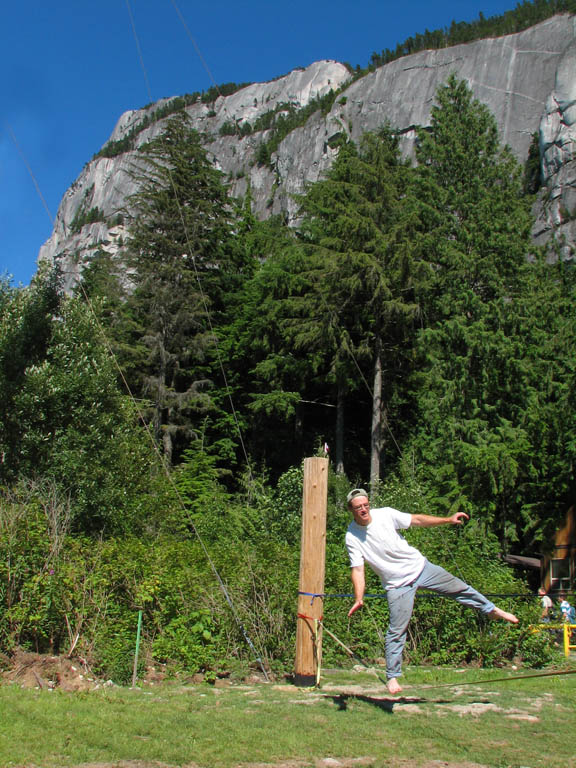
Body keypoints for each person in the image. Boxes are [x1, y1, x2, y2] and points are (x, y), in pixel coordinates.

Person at [345, 488, 518, 695]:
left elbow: (417, 520)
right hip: (397, 584)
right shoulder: (352, 536)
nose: (364, 509)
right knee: (396, 630)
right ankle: (392, 677)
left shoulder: (386, 514)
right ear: (351, 510)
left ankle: (491, 609)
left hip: (420, 567)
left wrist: (447, 520)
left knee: (460, 588)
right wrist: (359, 597)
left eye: (366, 505)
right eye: (358, 507)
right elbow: (357, 570)